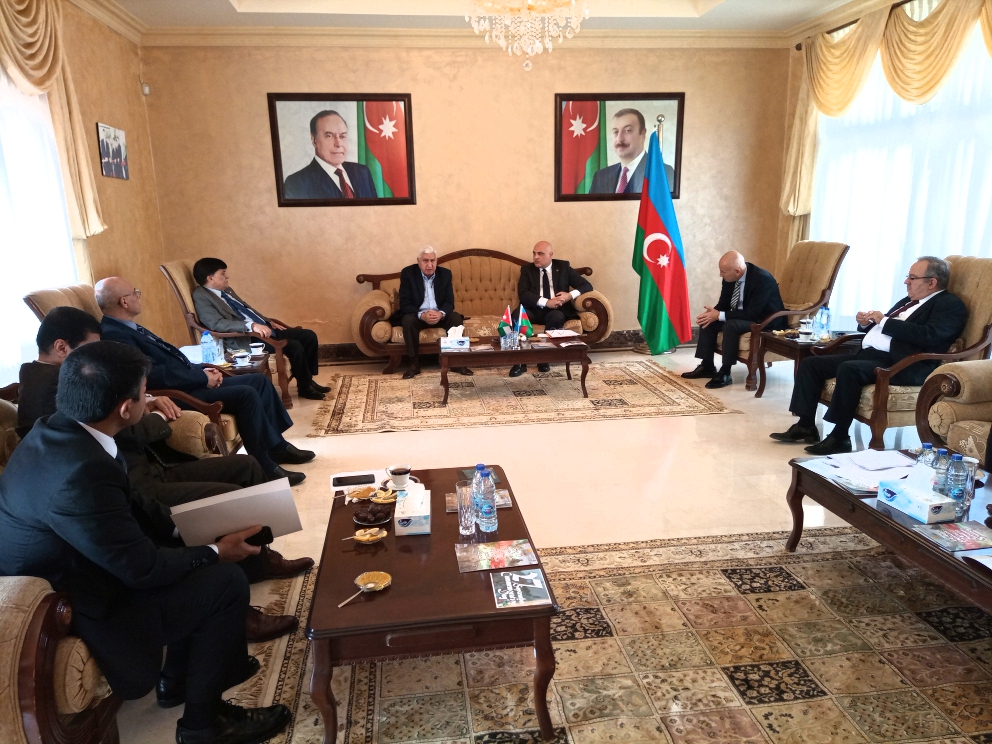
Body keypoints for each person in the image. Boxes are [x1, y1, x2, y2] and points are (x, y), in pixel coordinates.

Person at [0, 341, 292, 744]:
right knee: (224, 582)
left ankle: (178, 681)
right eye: (144, 392)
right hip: (81, 597)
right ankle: (203, 726)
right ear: (126, 408)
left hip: (89, 562)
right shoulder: (81, 471)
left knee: (194, 557)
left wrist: (186, 528)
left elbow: (133, 501)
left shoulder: (59, 430)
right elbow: (142, 569)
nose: (148, 398)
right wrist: (215, 552)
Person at [16, 306, 314, 647]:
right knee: (221, 512)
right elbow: (136, 557)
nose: (98, 356)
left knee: (245, 468)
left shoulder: (67, 399)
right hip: (124, 512)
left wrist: (148, 401)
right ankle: (238, 605)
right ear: (61, 348)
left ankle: (257, 559)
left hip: (142, 475)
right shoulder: (63, 399)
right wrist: (153, 413)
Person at [96, 277, 314, 486]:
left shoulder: (128, 327)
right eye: (135, 292)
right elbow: (152, 375)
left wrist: (202, 369)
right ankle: (265, 467)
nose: (138, 295)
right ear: (124, 301)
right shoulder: (116, 335)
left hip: (187, 380)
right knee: (246, 394)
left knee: (259, 381)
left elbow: (170, 360)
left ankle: (277, 447)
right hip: (176, 392)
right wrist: (201, 378)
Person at [772, 256, 968, 455]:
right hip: (873, 356)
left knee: (849, 369)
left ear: (932, 282)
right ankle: (805, 425)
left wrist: (884, 321)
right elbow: (886, 328)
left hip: (905, 364)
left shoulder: (949, 305)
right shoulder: (909, 302)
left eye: (912, 277)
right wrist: (866, 324)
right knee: (811, 364)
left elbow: (929, 335)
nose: (906, 281)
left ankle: (839, 437)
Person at [191, 257, 329, 401]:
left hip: (263, 329)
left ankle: (307, 380)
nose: (227, 276)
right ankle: (306, 387)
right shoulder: (201, 296)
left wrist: (267, 321)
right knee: (294, 346)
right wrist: (250, 326)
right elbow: (216, 323)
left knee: (308, 336)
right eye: (223, 273)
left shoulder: (227, 291)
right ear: (210, 278)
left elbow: (247, 309)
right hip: (246, 337)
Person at [682, 251, 788, 389]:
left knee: (731, 325)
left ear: (737, 271)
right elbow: (724, 304)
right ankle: (707, 366)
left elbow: (752, 313)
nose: (720, 274)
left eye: (723, 272)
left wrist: (719, 315)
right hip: (744, 315)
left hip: (764, 320)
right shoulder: (730, 277)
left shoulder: (762, 279)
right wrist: (712, 314)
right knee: (707, 321)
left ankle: (725, 372)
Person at [510, 241, 593, 378]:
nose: (536, 257)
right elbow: (523, 294)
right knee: (517, 314)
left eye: (540, 254)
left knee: (556, 317)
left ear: (550, 255)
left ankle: (544, 358)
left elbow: (586, 285)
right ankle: (520, 361)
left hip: (554, 311)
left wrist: (569, 296)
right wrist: (546, 302)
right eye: (534, 253)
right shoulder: (527, 269)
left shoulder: (563, 267)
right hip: (533, 309)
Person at [392, 246, 473, 380]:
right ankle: (414, 364)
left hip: (439, 315)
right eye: (425, 261)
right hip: (418, 315)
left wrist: (440, 313)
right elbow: (405, 303)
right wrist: (422, 315)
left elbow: (449, 302)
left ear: (436, 261)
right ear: (418, 261)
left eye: (432, 261)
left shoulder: (445, 274)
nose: (429, 265)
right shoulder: (408, 274)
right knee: (408, 320)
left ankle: (456, 363)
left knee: (455, 318)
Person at [283, 110, 378, 199]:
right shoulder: (297, 183)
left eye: (342, 136)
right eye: (329, 136)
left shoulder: (362, 172)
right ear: (314, 140)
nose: (338, 144)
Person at [589, 108, 675, 194]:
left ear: (643, 134)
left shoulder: (663, 173)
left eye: (628, 131)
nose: (619, 139)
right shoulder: (600, 177)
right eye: (615, 132)